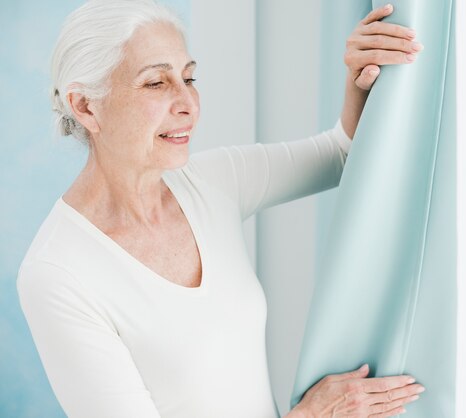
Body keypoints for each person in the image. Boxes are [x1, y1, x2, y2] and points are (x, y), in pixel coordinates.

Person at [16, 1, 426, 417]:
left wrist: (360, 73)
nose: (188, 104)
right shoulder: (57, 273)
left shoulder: (213, 182)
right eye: (156, 83)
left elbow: (342, 155)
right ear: (86, 106)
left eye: (189, 78)